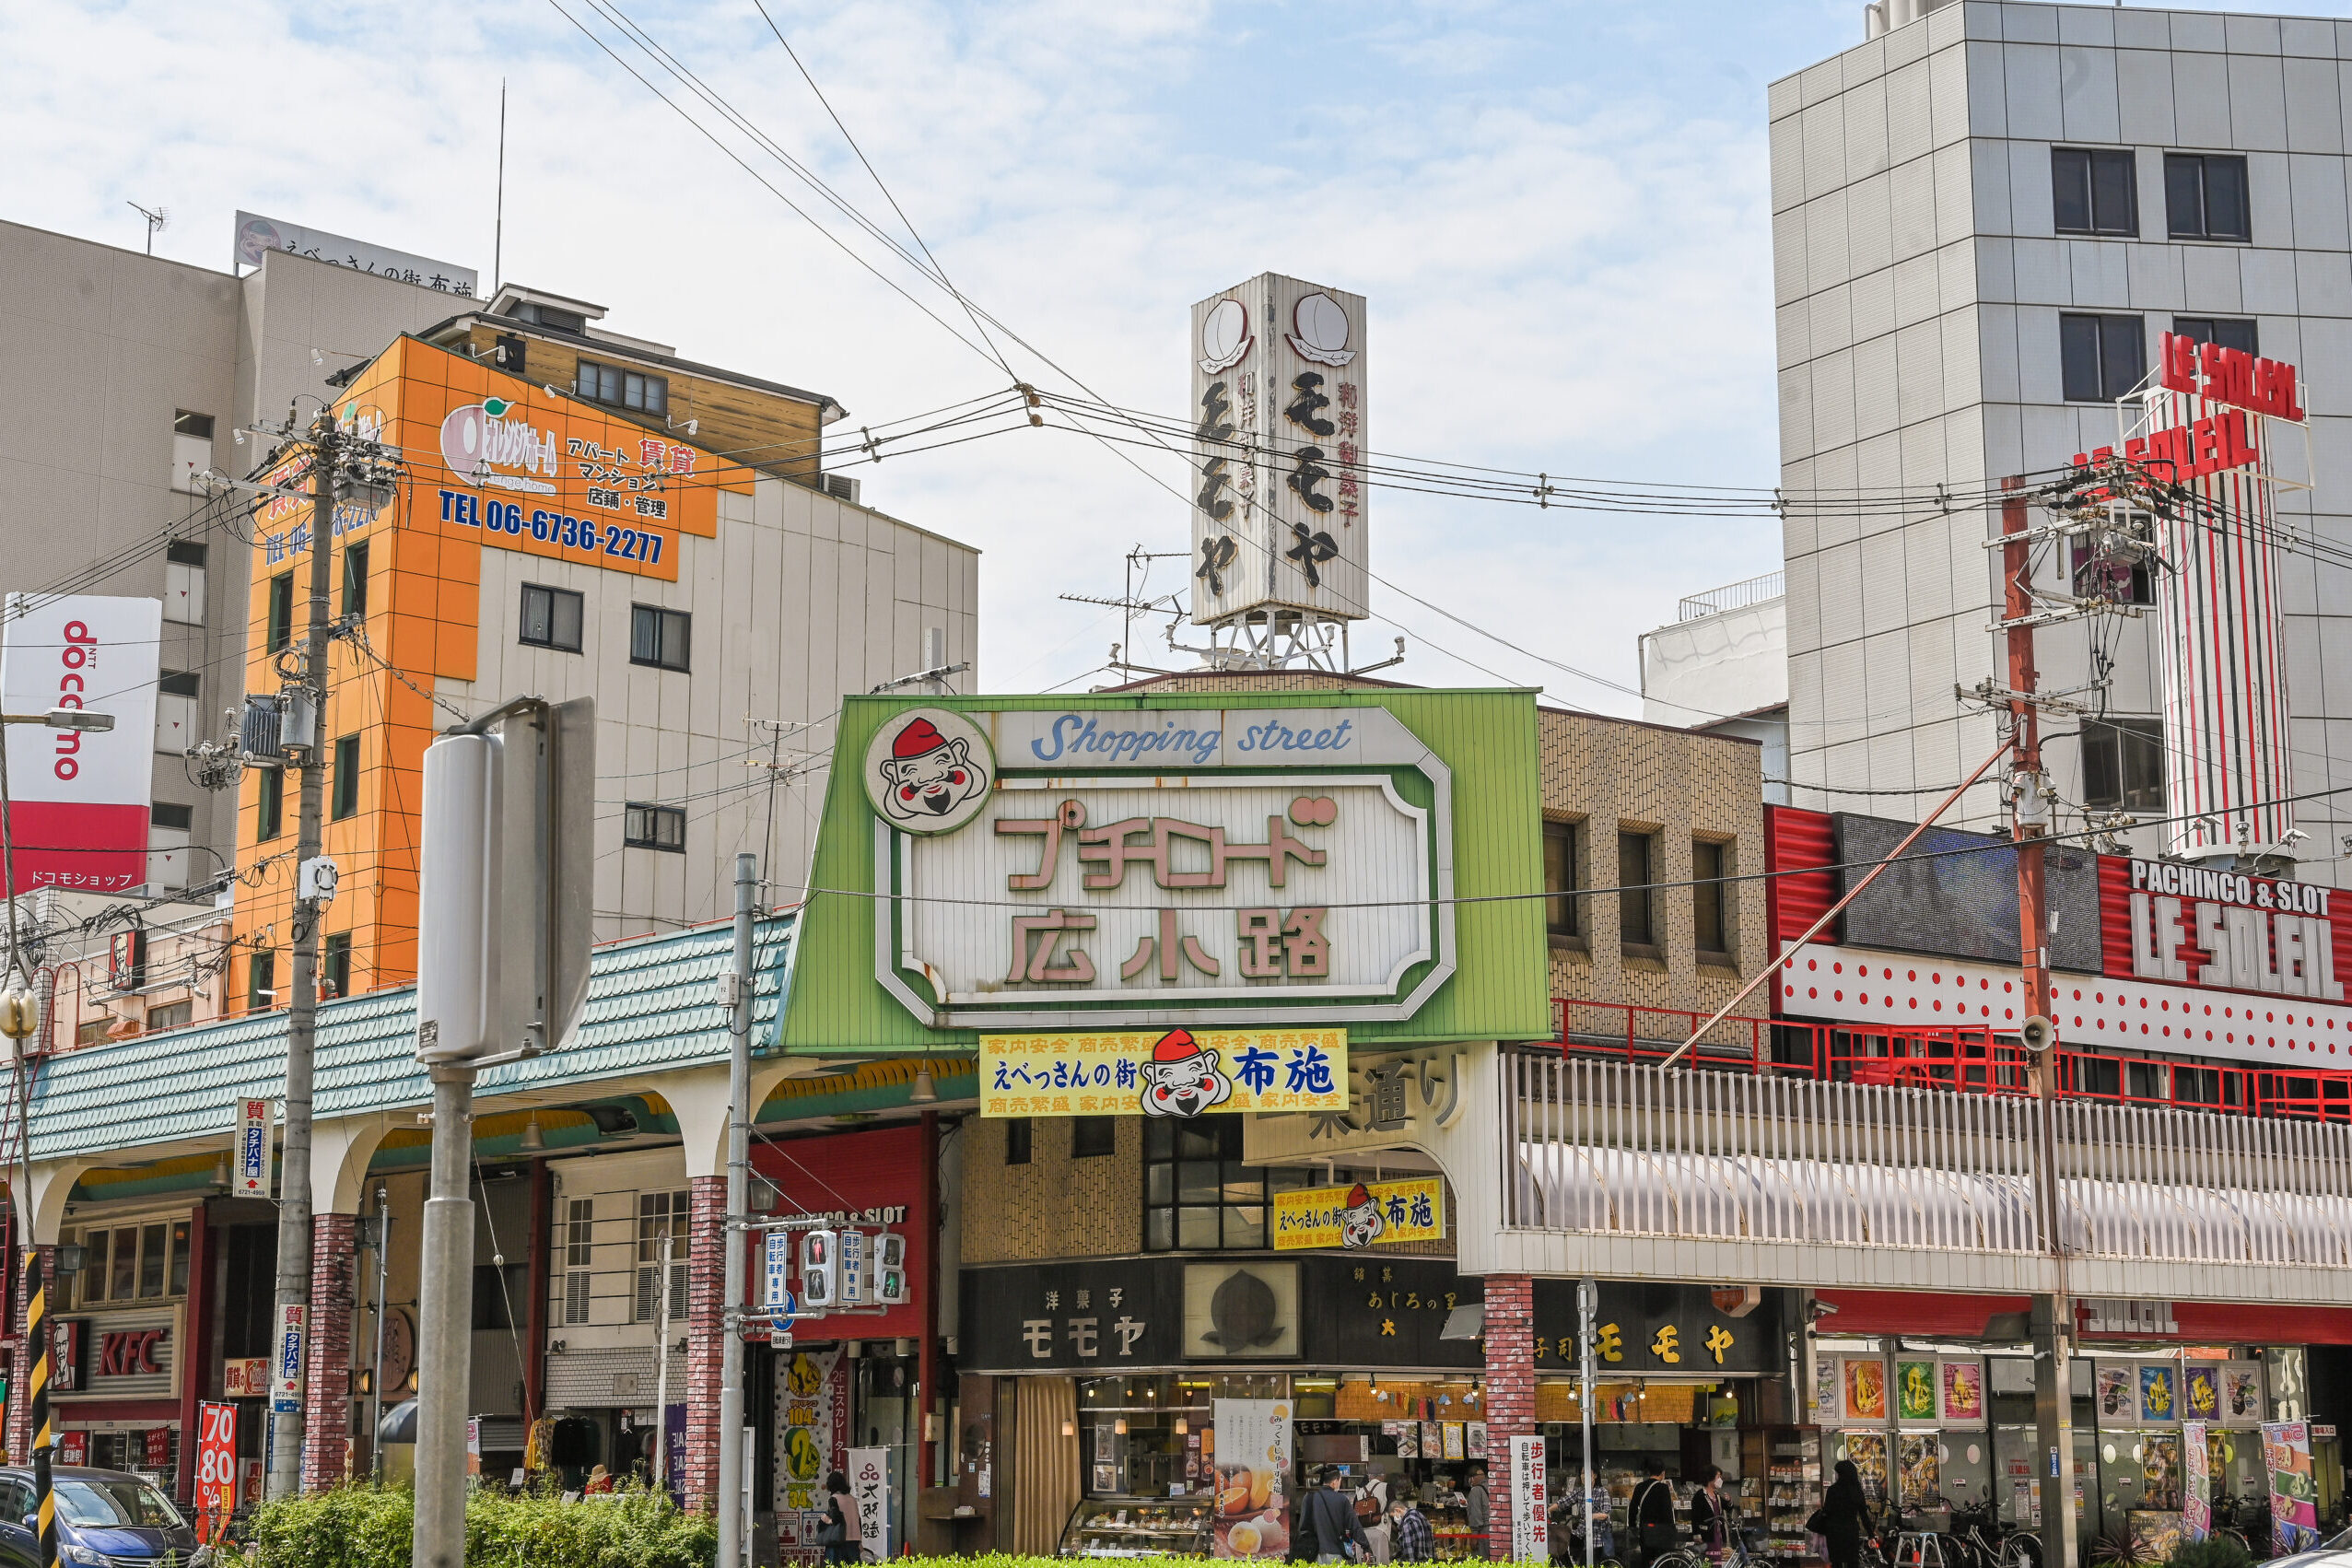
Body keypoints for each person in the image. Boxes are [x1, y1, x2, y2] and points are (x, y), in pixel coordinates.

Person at [1812, 1459, 1875, 1568]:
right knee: (1853, 1562)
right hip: (1851, 1532)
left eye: (1836, 1473)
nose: (1835, 1475)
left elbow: (1827, 1511)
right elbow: (1864, 1515)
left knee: (1836, 1562)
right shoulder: (1857, 1491)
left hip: (1834, 1532)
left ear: (1841, 1474)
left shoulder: (1833, 1490)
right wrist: (1871, 1536)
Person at [1302, 1466, 1372, 1562]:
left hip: (1312, 1554)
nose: (1340, 1484)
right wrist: (1366, 1547)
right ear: (1335, 1482)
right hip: (1335, 1553)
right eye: (1340, 1481)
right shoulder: (1342, 1500)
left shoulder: (1308, 1498)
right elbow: (1354, 1526)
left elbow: (1303, 1527)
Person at [1630, 1458, 1679, 1568]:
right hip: (1660, 1532)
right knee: (1660, 1562)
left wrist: (1633, 1527)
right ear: (1663, 1473)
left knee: (1646, 1560)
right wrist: (1671, 1529)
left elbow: (1632, 1509)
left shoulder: (1639, 1487)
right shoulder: (1663, 1488)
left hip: (1644, 1531)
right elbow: (1667, 1512)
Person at [1690, 1467, 1731, 1555]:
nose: (1720, 1480)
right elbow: (1695, 1517)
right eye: (1718, 1476)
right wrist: (1697, 1535)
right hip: (1706, 1535)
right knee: (1708, 1559)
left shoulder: (1717, 1495)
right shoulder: (1700, 1496)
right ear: (1710, 1478)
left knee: (1717, 1558)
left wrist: (1729, 1501)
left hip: (1718, 1533)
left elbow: (1728, 1507)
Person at [823, 1469, 861, 1564]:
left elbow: (835, 1520)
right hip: (854, 1540)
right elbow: (858, 1520)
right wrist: (860, 1541)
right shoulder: (852, 1499)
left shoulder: (833, 1499)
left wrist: (826, 1520)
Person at [1359, 1467, 1393, 1564]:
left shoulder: (1360, 1491)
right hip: (1380, 1531)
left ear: (1369, 1476)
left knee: (1364, 1564)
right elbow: (1392, 1507)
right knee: (1381, 1564)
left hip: (1362, 1535)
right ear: (1383, 1475)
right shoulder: (1386, 1487)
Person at [1388, 1494, 1434, 1563]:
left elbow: (1408, 1547)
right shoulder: (1418, 1514)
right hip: (1427, 1561)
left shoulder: (1408, 1522)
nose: (1394, 1519)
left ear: (1398, 1510)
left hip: (1417, 1562)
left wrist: (1410, 1564)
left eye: (1393, 1516)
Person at [1464, 1466, 1491, 1544]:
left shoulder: (1475, 1490)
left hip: (1483, 1532)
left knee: (1482, 1552)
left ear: (1472, 1479)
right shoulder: (1492, 1486)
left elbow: (1475, 1514)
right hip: (1494, 1530)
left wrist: (1474, 1536)